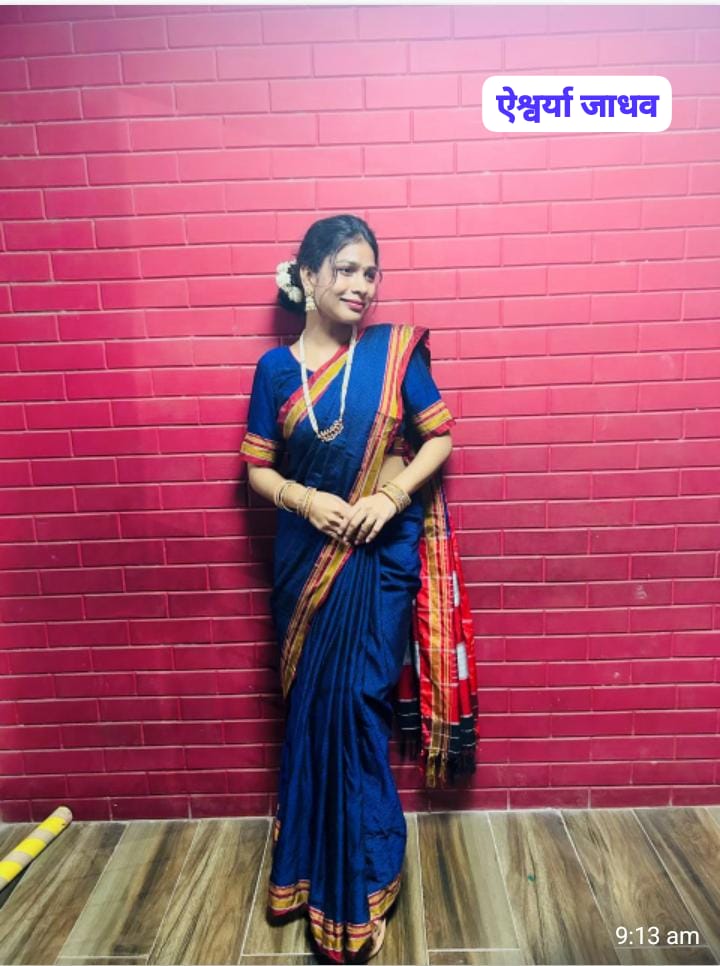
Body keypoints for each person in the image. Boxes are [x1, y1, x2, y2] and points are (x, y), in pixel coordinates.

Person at [238, 214, 478, 964]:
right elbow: (257, 469)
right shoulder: (275, 371)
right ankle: (308, 875)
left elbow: (440, 435)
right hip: (305, 562)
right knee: (313, 714)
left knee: (357, 708)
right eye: (345, 270)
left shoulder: (393, 353)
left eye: (370, 273)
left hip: (378, 559)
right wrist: (306, 500)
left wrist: (391, 496)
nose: (361, 286)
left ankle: (363, 879)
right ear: (307, 276)